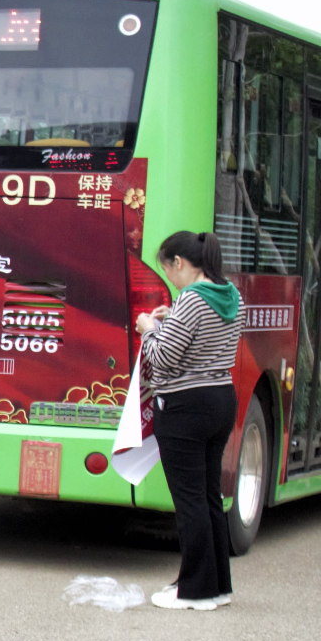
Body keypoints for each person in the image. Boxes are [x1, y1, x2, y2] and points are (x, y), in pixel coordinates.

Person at [134, 230, 243, 612]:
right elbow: (198, 350)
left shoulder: (192, 299)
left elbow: (163, 359)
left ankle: (194, 591)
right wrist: (168, 323)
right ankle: (217, 585)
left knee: (189, 501)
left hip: (185, 407)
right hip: (220, 399)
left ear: (179, 263)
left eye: (168, 271)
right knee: (210, 496)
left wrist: (149, 329)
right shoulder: (231, 295)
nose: (170, 280)